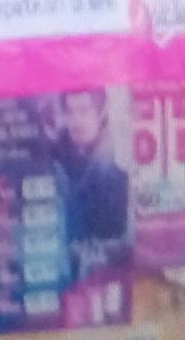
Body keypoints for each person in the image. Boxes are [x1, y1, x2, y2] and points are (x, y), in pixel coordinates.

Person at [52, 89, 129, 275]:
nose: (76, 120)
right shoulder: (56, 154)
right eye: (70, 112)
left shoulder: (116, 164)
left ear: (102, 112)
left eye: (84, 110)